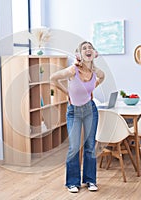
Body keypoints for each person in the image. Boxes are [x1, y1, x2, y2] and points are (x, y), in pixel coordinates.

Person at [50, 41, 104, 193]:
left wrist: (90, 90)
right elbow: (53, 78)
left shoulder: (97, 72)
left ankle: (90, 180)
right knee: (74, 147)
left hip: (90, 110)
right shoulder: (73, 70)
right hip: (74, 112)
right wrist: (67, 92)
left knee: (90, 146)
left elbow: (102, 78)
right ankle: (72, 182)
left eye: (90, 48)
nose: (88, 50)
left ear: (94, 53)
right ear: (80, 54)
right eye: (84, 48)